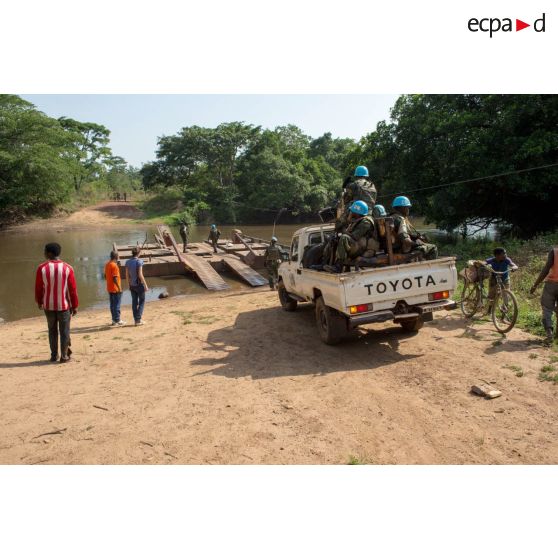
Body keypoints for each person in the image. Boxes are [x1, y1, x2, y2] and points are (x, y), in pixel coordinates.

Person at [34, 243, 79, 363]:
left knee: (52, 331)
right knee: (64, 331)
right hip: (64, 306)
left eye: (45, 251)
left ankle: (54, 355)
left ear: (49, 253)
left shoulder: (41, 268)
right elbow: (72, 289)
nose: (44, 253)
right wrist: (74, 306)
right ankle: (64, 356)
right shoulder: (67, 268)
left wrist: (39, 301)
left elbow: (39, 288)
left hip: (48, 306)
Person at [325, 201, 376, 273]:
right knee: (335, 239)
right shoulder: (358, 220)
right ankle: (327, 263)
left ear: (357, 212)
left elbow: (355, 236)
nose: (351, 213)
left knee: (344, 237)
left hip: (364, 249)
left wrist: (343, 230)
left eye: (353, 211)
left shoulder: (366, 222)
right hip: (358, 245)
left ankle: (338, 267)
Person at [390, 196, 438, 260]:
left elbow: (398, 234)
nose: (408, 210)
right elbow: (405, 240)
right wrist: (417, 243)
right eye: (407, 207)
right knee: (433, 247)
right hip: (402, 250)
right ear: (402, 208)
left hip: (393, 249)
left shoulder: (391, 218)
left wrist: (415, 237)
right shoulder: (400, 219)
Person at [530, 246, 558, 344]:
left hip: (552, 285)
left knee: (547, 310)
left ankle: (549, 334)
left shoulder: (554, 251)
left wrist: (535, 285)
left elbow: (546, 268)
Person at [125, 247, 149, 326]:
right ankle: (138, 320)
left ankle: (136, 320)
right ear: (138, 253)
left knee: (134, 302)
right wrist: (145, 285)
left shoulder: (127, 262)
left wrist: (128, 284)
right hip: (139, 285)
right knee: (142, 301)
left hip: (132, 285)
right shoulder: (140, 261)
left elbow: (127, 275)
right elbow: (140, 274)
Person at [104, 250, 125, 326]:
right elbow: (115, 278)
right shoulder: (114, 265)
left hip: (109, 288)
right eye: (118, 255)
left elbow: (105, 276)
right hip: (115, 289)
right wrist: (119, 288)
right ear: (116, 257)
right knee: (117, 305)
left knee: (112, 305)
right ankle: (118, 320)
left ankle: (113, 320)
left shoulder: (107, 264)